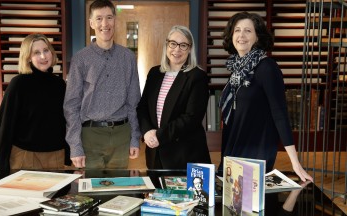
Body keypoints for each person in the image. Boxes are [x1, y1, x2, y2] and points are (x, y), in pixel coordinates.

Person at [218, 11, 313, 183]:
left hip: (256, 151)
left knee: (250, 206)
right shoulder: (236, 71)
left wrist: (295, 163)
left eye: (248, 30)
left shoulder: (267, 67)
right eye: (237, 30)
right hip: (233, 148)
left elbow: (280, 114)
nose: (241, 35)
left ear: (257, 37)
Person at [63, 0, 141, 169]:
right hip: (90, 135)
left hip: (121, 135)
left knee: (118, 191)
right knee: (90, 191)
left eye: (109, 17)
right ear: (91, 23)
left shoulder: (128, 57)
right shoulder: (80, 59)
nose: (104, 24)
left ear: (115, 21)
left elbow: (133, 102)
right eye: (98, 19)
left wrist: (135, 137)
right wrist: (75, 145)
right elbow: (71, 106)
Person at [136, 25, 211, 169]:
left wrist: (159, 135)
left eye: (183, 45)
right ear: (167, 45)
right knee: (155, 191)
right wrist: (146, 132)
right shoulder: (155, 73)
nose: (177, 50)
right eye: (173, 44)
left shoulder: (197, 77)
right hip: (155, 153)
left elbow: (191, 117)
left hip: (184, 154)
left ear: (189, 49)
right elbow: (142, 107)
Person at [0, 33, 68, 170]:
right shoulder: (18, 84)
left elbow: (65, 121)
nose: (43, 56)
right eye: (36, 52)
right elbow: (5, 125)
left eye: (46, 50)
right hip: (25, 155)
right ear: (28, 57)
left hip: (55, 154)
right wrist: (1, 162)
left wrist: (68, 152)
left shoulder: (59, 84)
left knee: (57, 192)